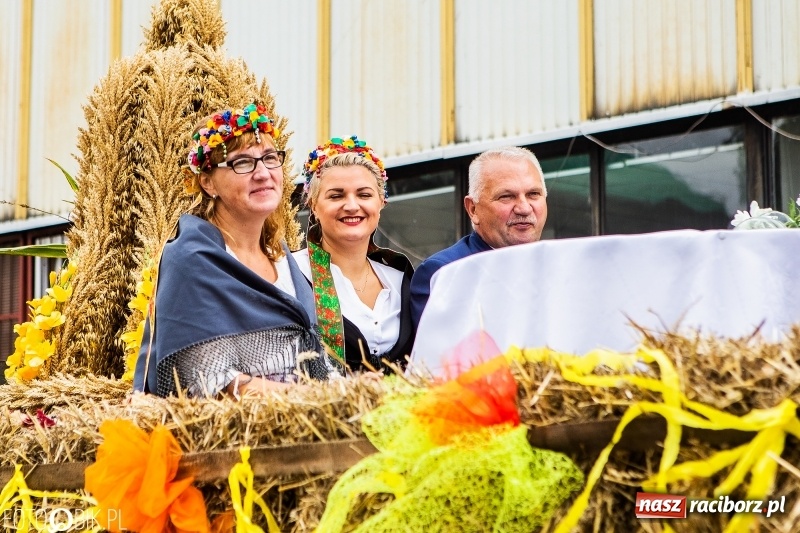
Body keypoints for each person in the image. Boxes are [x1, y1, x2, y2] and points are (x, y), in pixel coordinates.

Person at [134, 103, 332, 398]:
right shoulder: (192, 260)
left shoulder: (282, 259)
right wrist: (308, 399)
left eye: (270, 158)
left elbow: (315, 359)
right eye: (242, 163)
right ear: (207, 182)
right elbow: (206, 380)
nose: (263, 173)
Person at [292, 136, 415, 373]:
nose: (351, 206)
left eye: (364, 195)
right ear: (313, 205)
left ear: (381, 202)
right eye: (336, 196)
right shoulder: (293, 274)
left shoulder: (400, 279)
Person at [409, 146, 548, 326]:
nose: (524, 208)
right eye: (506, 196)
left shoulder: (560, 265)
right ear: (473, 209)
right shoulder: (444, 273)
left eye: (533, 194)